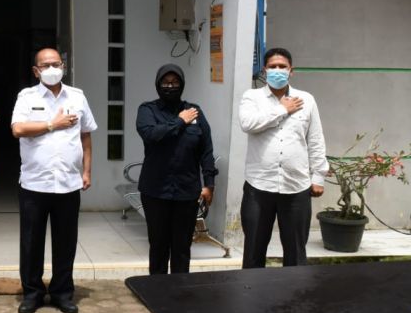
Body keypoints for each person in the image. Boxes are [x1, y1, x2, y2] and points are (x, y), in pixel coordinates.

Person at [10, 48, 97, 313]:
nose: (51, 69)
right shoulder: (27, 97)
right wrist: (52, 124)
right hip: (35, 183)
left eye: (56, 64)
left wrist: (87, 171)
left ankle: (62, 293)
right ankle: (32, 293)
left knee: (66, 242)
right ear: (36, 71)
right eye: (45, 65)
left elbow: (85, 135)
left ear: (63, 66)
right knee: (31, 242)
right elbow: (18, 129)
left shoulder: (78, 96)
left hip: (68, 182)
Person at [238, 47, 327, 268]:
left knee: (296, 252)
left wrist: (319, 176)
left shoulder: (306, 100)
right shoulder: (252, 97)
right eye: (272, 66)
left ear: (291, 71)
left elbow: (315, 139)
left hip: (296, 186)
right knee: (254, 250)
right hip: (259, 186)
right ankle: (251, 289)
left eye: (282, 66)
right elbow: (248, 124)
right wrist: (282, 109)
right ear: (264, 70)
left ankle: (294, 290)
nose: (277, 70)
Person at [135, 63, 217, 274]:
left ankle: (179, 289)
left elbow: (206, 150)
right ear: (157, 84)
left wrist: (209, 184)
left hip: (186, 192)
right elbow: (151, 135)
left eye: (175, 82)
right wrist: (180, 122)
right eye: (165, 82)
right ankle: (157, 288)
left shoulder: (195, 112)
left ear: (182, 84)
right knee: (158, 246)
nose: (170, 86)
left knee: (182, 248)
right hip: (155, 191)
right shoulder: (147, 110)